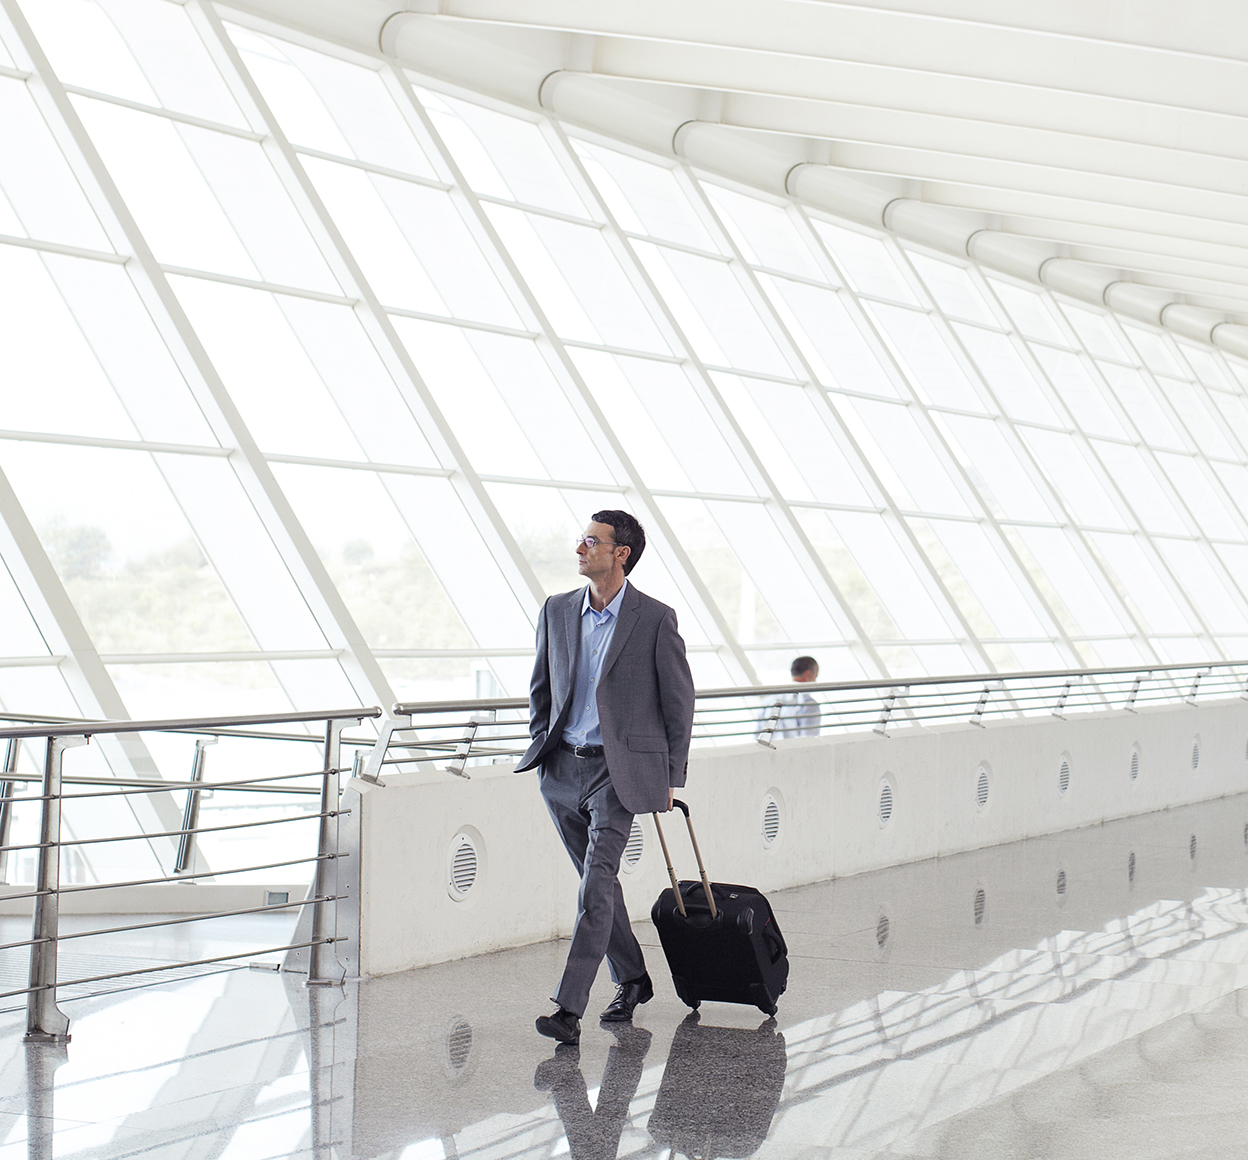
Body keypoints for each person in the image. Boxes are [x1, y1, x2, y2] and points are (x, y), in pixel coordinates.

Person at [517, 510, 695, 1046]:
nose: (579, 548)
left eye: (591, 541)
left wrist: (670, 775)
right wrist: (540, 744)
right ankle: (635, 978)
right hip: (560, 770)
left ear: (621, 553)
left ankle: (567, 1008)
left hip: (617, 774)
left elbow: (679, 703)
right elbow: (541, 687)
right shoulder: (557, 610)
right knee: (599, 887)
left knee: (595, 889)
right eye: (580, 539)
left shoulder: (655, 619)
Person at [757, 656, 821, 740]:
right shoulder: (808, 703)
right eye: (815, 676)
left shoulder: (769, 699)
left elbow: (757, 734)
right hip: (792, 751)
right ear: (808, 674)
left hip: (767, 750)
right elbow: (809, 740)